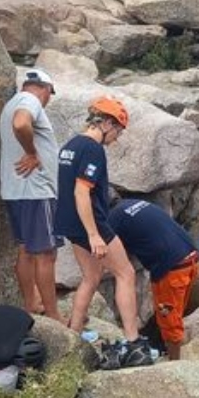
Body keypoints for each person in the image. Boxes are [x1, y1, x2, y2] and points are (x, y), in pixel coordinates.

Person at [54, 96, 149, 365]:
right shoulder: (93, 149)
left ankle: (72, 334)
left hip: (70, 223)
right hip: (91, 223)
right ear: (106, 123)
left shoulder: (70, 145)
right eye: (118, 129)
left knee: (91, 277)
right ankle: (132, 341)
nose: (117, 137)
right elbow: (81, 191)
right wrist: (95, 234)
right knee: (126, 273)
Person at [0, 67, 63, 324]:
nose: (48, 101)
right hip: (36, 191)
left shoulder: (11, 102)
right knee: (45, 253)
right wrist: (32, 152)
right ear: (45, 89)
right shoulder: (29, 101)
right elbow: (21, 123)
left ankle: (31, 304)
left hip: (16, 190)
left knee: (26, 250)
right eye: (50, 95)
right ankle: (54, 314)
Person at [105, 198, 199, 361]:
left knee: (169, 320)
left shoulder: (113, 219)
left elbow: (109, 254)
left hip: (172, 267)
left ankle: (174, 364)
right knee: (174, 313)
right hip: (191, 257)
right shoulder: (132, 203)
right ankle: (162, 347)